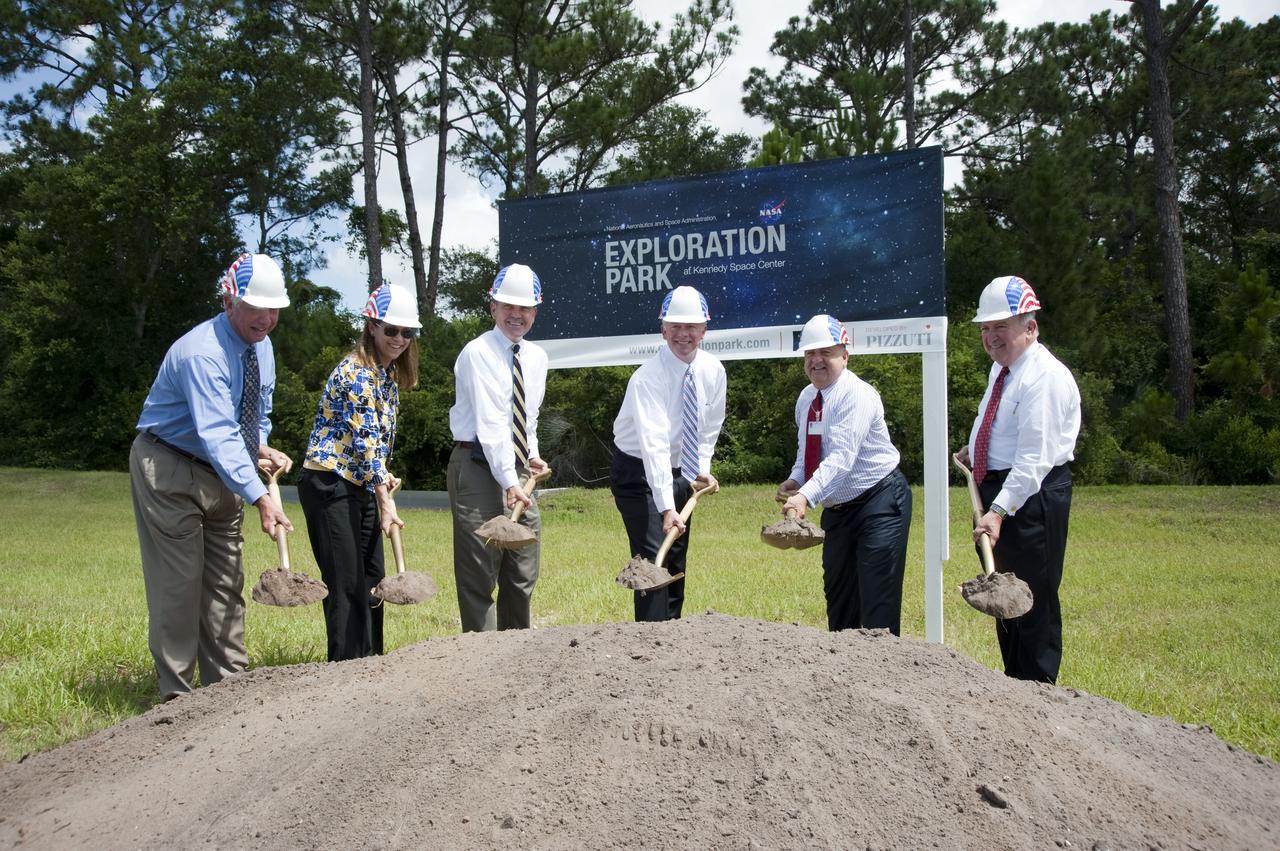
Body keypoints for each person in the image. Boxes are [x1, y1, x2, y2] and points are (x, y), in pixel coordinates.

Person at [130, 252, 294, 701]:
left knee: (226, 583)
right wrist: (261, 497)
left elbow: (257, 411)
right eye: (256, 307)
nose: (267, 317)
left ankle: (228, 694)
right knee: (179, 586)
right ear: (229, 301)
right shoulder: (203, 354)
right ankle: (177, 699)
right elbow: (218, 434)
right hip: (170, 468)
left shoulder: (261, 344)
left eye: (274, 308)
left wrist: (259, 444)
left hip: (225, 471)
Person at [959, 275, 1081, 684]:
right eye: (986, 328)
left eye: (1001, 327)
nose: (991, 337)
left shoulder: (1043, 377)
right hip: (1001, 494)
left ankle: (1038, 692)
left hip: (1030, 498)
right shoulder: (1004, 369)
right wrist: (975, 451)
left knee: (1032, 600)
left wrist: (997, 512)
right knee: (1004, 596)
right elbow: (997, 427)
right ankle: (1015, 686)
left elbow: (1033, 460)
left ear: (1030, 328)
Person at [297, 283, 419, 661]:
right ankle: (345, 671)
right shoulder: (357, 373)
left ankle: (371, 665)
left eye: (407, 332)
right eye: (391, 330)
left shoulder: (387, 376)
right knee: (346, 582)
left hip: (360, 483)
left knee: (372, 579)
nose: (399, 339)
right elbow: (364, 442)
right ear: (371, 326)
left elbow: (373, 444)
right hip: (329, 484)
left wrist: (382, 474)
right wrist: (385, 499)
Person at [777, 315, 913, 635]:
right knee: (839, 601)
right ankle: (844, 681)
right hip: (838, 511)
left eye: (826, 352)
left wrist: (805, 497)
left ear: (845, 356)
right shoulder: (806, 399)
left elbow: (841, 459)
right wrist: (797, 480)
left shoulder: (857, 395)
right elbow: (808, 454)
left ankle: (881, 677)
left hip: (879, 502)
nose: (816, 360)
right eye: (810, 354)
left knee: (877, 602)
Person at [611, 285, 726, 622]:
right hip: (637, 473)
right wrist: (665, 506)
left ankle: (673, 637)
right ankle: (651, 643)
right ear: (663, 329)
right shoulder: (647, 379)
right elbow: (654, 446)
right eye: (675, 326)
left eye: (691, 327)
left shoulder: (713, 370)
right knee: (652, 558)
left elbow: (710, 426)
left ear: (704, 329)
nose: (683, 335)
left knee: (676, 556)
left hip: (681, 471)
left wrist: (699, 470)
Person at [448, 263, 549, 632]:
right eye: (508, 306)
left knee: (522, 567)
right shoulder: (478, 353)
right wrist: (510, 482)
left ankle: (516, 656)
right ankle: (482, 663)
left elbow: (527, 418)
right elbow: (491, 425)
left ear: (535, 312)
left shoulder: (537, 358)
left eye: (524, 308)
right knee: (480, 569)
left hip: (517, 468)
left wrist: (532, 455)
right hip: (477, 466)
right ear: (493, 307)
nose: (516, 315)